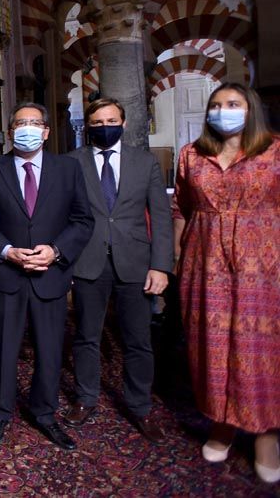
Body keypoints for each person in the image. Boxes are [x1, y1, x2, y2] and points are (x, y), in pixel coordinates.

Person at [172, 82, 279, 483]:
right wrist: (178, 260)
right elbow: (180, 208)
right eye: (216, 105)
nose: (223, 111)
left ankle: (267, 431)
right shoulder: (192, 155)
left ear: (250, 109)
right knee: (211, 347)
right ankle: (223, 422)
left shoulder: (275, 151)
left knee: (260, 348)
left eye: (232, 104)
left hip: (265, 269)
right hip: (206, 264)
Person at [0, 102, 93, 451]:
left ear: (46, 131)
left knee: (49, 349)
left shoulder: (68, 168)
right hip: (5, 274)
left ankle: (44, 413)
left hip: (50, 275)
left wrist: (56, 251)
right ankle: (0, 412)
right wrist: (5, 250)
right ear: (9, 130)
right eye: (19, 123)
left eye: (34, 123)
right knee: (3, 347)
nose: (26, 128)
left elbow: (82, 220)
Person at [66, 98, 173, 442]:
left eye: (111, 120)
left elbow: (161, 216)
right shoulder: (71, 162)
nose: (104, 126)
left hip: (136, 263)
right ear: (88, 127)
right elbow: (62, 215)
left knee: (138, 340)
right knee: (86, 336)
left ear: (123, 123)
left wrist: (160, 266)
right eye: (96, 122)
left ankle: (140, 406)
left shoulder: (145, 163)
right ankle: (85, 399)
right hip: (88, 261)